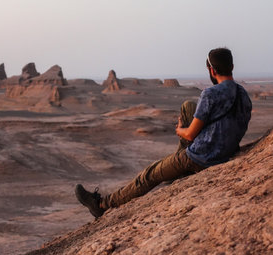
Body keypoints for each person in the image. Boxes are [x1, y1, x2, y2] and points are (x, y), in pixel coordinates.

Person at [75, 47, 252, 218]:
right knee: (188, 107)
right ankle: (177, 169)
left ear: (211, 70)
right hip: (226, 151)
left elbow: (189, 135)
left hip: (202, 157)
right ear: (232, 67)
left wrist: (179, 130)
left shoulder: (210, 94)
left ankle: (101, 205)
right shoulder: (243, 94)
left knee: (148, 175)